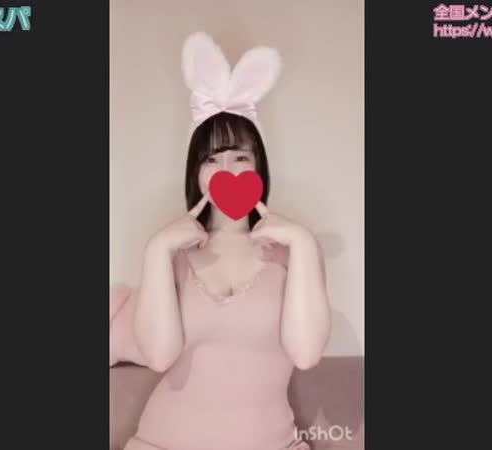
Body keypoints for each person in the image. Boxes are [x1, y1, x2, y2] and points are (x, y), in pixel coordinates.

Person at [110, 32, 331, 450]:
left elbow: (305, 354)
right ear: (196, 172)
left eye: (240, 156)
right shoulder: (171, 254)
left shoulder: (294, 252)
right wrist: (156, 250)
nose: (226, 168)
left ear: (259, 166)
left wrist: (302, 241)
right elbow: (158, 356)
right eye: (211, 158)